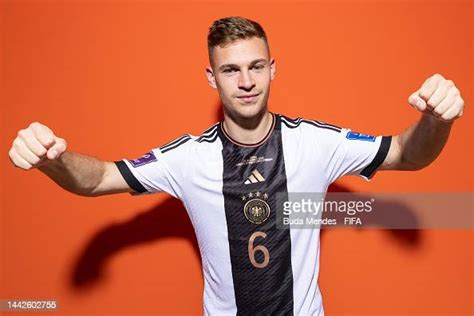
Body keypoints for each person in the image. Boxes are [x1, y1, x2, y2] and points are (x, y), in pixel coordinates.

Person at [8, 16, 465, 316]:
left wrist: (434, 120)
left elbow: (408, 154)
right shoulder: (188, 158)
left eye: (256, 66)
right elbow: (101, 178)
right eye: (230, 70)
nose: (246, 82)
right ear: (212, 77)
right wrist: (55, 159)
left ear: (272, 69)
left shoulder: (314, 143)